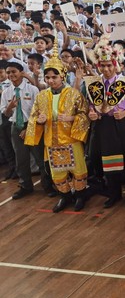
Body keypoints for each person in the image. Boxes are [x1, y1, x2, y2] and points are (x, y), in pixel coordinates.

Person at [24, 47, 89, 212]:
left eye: (54, 77)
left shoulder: (73, 94)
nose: (51, 80)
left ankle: (80, 196)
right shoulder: (41, 96)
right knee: (57, 173)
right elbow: (33, 116)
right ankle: (65, 196)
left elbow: (84, 114)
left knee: (78, 170)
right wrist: (39, 121)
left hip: (71, 139)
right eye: (47, 77)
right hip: (51, 141)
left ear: (62, 76)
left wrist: (71, 118)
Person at [86, 39, 125, 209]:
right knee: (108, 160)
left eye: (109, 65)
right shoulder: (95, 84)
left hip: (120, 124)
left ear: (115, 64)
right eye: (103, 66)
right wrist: (92, 113)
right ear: (98, 66)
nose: (106, 69)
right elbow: (91, 104)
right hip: (103, 125)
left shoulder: (124, 83)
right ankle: (113, 193)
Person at [0, 62, 55, 199]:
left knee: (40, 158)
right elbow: (5, 114)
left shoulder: (32, 89)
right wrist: (10, 107)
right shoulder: (6, 92)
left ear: (21, 72)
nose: (11, 75)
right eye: (8, 72)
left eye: (14, 71)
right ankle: (25, 186)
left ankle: (47, 186)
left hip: (33, 125)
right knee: (21, 159)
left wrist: (28, 128)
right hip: (16, 127)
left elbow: (38, 110)